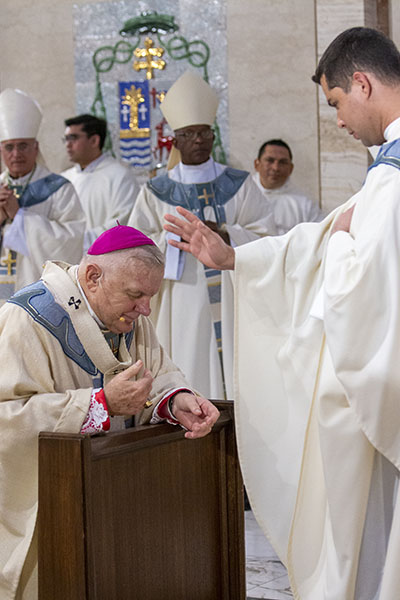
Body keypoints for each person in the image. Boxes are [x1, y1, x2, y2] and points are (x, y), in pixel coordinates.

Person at [163, 27, 400, 600]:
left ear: (362, 84)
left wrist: (337, 249)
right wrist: (232, 257)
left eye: (337, 103)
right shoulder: (386, 168)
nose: (338, 120)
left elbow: (357, 281)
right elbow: (322, 236)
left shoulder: (392, 179)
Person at [0, 223, 219, 599]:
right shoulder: (25, 320)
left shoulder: (129, 318)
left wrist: (176, 398)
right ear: (92, 277)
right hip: (52, 505)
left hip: (116, 498)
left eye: (151, 296)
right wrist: (98, 405)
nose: (146, 309)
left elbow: (159, 372)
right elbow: (8, 416)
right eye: (136, 295)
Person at [129, 70, 276, 400]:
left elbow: (267, 234)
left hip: (234, 293)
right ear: (176, 140)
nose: (198, 140)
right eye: (190, 133)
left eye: (205, 132)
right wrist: (177, 241)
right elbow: (135, 245)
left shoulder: (238, 182)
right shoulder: (156, 190)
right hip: (182, 293)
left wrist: (223, 232)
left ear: (214, 137)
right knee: (188, 360)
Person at [0, 89, 85, 304]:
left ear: (36, 148)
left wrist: (19, 216)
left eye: (23, 146)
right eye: (9, 147)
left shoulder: (59, 189)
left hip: (40, 297)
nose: (16, 154)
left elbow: (70, 243)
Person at [62, 113, 140, 251]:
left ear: (94, 141)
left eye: (73, 138)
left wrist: (80, 242)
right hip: (66, 258)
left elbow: (124, 223)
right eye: (66, 139)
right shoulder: (63, 179)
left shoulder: (120, 176)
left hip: (105, 260)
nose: (68, 144)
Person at [253, 138, 324, 234]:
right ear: (257, 164)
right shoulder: (240, 196)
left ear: (291, 168)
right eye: (270, 160)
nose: (276, 168)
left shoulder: (305, 204)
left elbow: (319, 235)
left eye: (282, 162)